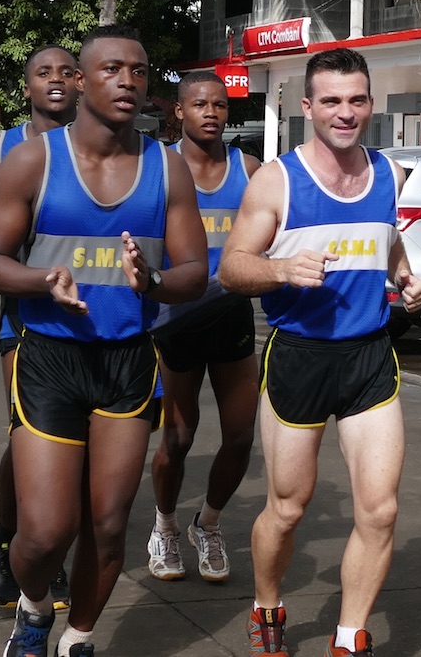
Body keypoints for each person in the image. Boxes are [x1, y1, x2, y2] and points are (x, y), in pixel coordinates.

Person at [0, 25, 208, 657]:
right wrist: (42, 280)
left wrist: (154, 280)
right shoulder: (34, 160)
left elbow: (194, 273)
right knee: (45, 534)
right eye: (111, 69)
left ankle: (77, 638)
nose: (127, 81)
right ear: (80, 80)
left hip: (127, 362)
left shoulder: (167, 167)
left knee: (106, 527)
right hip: (49, 358)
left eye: (139, 70)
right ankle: (32, 609)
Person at [218, 48, 421, 657]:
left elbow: (385, 242)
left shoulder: (389, 174)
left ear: (371, 104)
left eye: (356, 100)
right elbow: (231, 269)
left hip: (369, 356)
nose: (345, 112)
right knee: (288, 508)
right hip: (299, 356)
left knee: (380, 511)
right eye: (331, 101)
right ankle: (267, 605)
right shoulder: (277, 180)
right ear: (307, 107)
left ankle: (349, 634)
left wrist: (403, 277)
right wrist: (281, 269)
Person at [0, 45, 79, 612]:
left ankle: (52, 544)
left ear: (81, 83)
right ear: (26, 86)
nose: (55, 80)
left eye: (66, 71)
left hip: (95, 314)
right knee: (27, 434)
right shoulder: (0, 151)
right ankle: (14, 540)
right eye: (43, 72)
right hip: (26, 315)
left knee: (81, 445)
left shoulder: (104, 146)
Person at [146, 71, 261, 584]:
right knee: (178, 437)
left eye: (219, 104)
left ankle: (207, 524)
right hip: (177, 320)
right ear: (179, 111)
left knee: (240, 436)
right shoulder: (159, 168)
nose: (211, 113)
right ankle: (165, 525)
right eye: (199, 104)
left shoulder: (249, 170)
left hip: (231, 316)